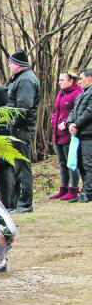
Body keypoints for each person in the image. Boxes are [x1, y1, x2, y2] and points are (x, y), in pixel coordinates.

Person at [6, 51, 40, 214]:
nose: (9, 66)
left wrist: (14, 124)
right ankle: (16, 201)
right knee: (17, 164)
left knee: (22, 164)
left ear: (18, 64)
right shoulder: (22, 78)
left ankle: (25, 203)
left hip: (21, 128)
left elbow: (24, 107)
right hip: (19, 127)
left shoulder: (26, 79)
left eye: (11, 63)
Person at [50, 70, 82, 200]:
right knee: (62, 162)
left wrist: (67, 123)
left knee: (71, 162)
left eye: (62, 80)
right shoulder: (61, 93)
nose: (59, 83)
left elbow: (78, 112)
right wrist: (53, 118)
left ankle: (74, 189)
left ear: (71, 81)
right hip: (57, 133)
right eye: (59, 80)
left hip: (69, 134)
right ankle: (64, 188)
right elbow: (58, 110)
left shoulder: (77, 94)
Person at [67, 68, 92, 203]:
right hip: (80, 135)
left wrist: (76, 125)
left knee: (88, 164)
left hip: (89, 135)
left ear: (90, 78)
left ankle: (88, 193)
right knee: (81, 164)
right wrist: (70, 124)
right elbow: (73, 111)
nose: (79, 82)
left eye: (81, 78)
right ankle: (85, 191)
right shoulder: (82, 94)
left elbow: (89, 112)